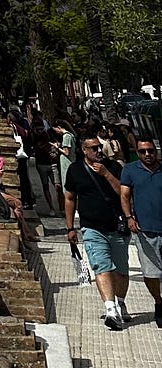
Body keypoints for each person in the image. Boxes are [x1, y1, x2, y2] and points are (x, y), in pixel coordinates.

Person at [65, 131, 131, 330]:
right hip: (92, 227)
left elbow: (123, 192)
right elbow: (70, 198)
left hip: (117, 226)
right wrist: (70, 227)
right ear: (84, 150)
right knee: (101, 266)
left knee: (121, 271)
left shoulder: (113, 167)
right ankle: (110, 309)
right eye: (93, 148)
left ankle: (120, 302)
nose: (98, 150)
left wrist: (106, 174)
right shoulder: (75, 170)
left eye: (99, 147)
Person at [119, 135, 162, 327]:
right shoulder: (130, 170)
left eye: (151, 151)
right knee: (151, 272)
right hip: (145, 229)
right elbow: (124, 195)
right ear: (137, 153)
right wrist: (129, 217)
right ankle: (159, 302)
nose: (147, 154)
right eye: (143, 151)